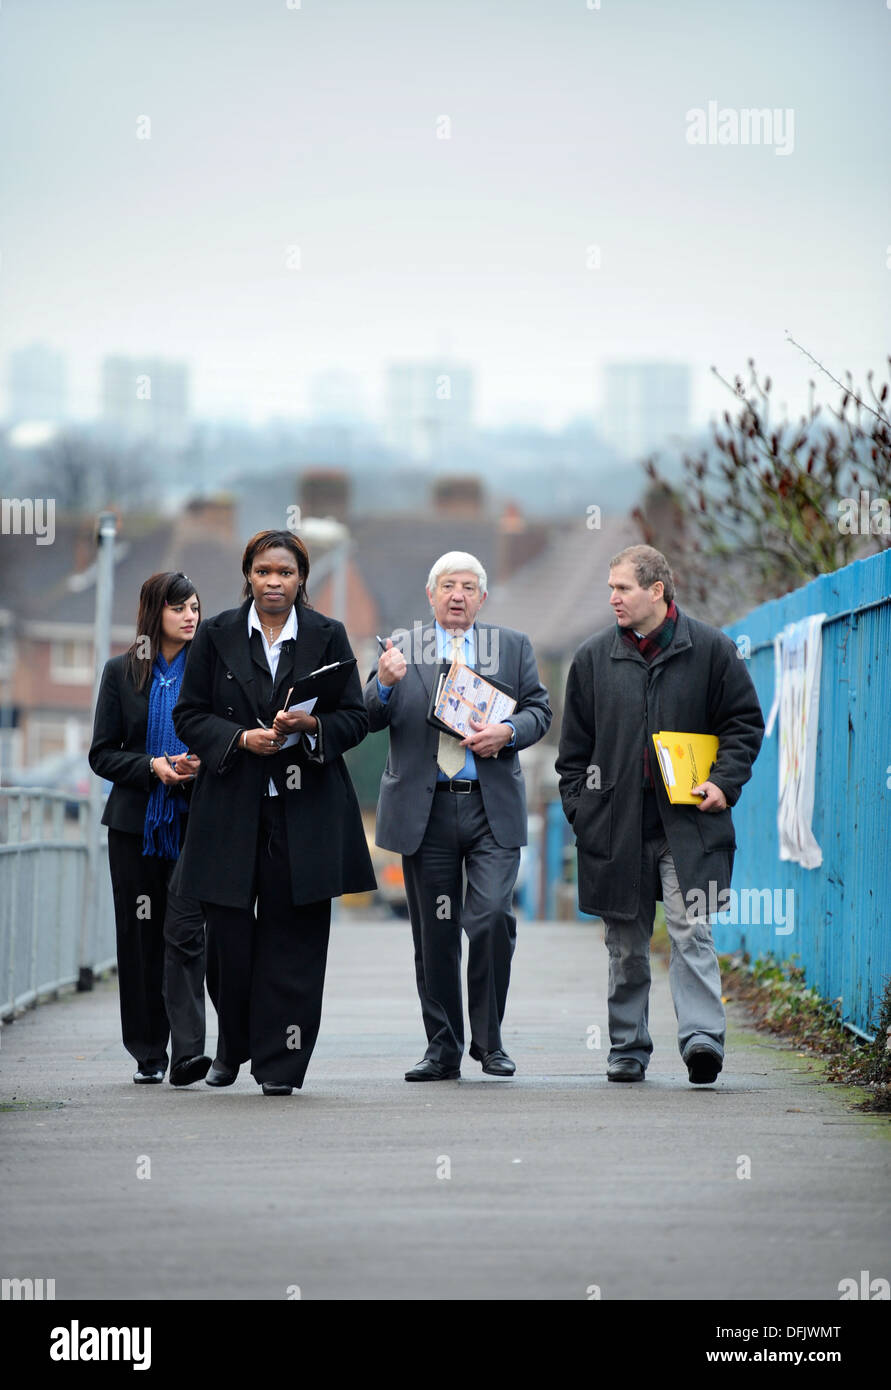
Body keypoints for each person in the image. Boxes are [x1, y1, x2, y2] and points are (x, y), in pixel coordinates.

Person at [171, 528, 375, 1096]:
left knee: (296, 944)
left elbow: (355, 718)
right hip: (229, 810)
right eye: (263, 572)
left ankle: (280, 1065)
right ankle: (232, 1045)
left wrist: (312, 728)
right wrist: (240, 739)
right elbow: (189, 715)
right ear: (249, 576)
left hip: (306, 813)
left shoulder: (329, 636)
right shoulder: (214, 636)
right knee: (228, 945)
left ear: (301, 578)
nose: (273, 582)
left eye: (284, 573)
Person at [556, 545, 764, 1085]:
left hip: (689, 825)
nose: (612, 598)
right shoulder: (592, 659)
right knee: (624, 944)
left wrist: (723, 782)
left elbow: (744, 724)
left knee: (691, 929)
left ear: (657, 590)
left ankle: (701, 1041)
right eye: (610, 588)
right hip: (615, 825)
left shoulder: (713, 651)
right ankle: (627, 1047)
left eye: (622, 588)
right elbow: (572, 754)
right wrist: (582, 812)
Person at [365, 551, 551, 1081]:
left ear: (482, 598)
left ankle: (490, 1044)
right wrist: (382, 682)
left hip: (488, 803)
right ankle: (442, 1049)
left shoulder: (511, 647)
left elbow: (540, 710)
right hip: (426, 807)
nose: (458, 596)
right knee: (436, 933)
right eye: (448, 586)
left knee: (491, 916)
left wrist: (508, 732)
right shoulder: (402, 649)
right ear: (431, 594)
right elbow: (366, 717)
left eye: (469, 587)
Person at [89, 572, 208, 1086]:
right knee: (139, 937)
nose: (190, 617)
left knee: (185, 935)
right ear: (154, 612)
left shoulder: (210, 672)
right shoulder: (121, 673)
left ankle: (188, 1053)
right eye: (179, 608)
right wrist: (152, 767)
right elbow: (102, 753)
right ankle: (147, 1052)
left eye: (196, 609)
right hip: (135, 826)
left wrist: (200, 763)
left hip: (194, 822)